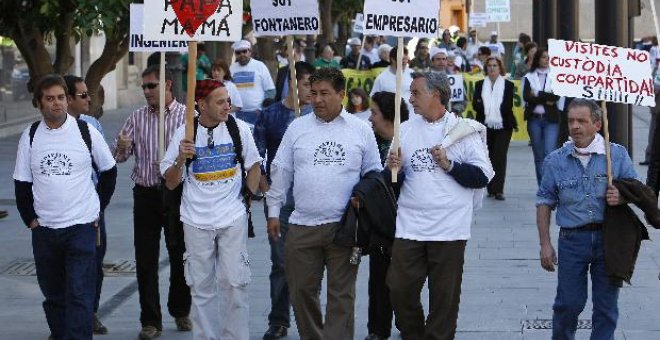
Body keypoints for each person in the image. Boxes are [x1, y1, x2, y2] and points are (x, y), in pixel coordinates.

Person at [266, 67, 382, 340]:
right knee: (301, 291)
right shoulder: (297, 128)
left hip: (345, 228)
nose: (316, 99)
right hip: (302, 226)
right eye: (313, 93)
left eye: (324, 94)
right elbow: (280, 170)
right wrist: (273, 212)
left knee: (341, 296)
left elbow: (374, 173)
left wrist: (362, 197)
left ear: (341, 94)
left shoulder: (361, 129)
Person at [385, 71, 494, 340]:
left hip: (449, 229)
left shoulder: (462, 131)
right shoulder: (406, 129)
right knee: (399, 288)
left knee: (444, 299)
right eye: (410, 93)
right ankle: (412, 332)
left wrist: (449, 165)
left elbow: (483, 176)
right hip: (410, 226)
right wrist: (392, 171)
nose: (410, 99)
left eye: (415, 93)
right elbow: (391, 183)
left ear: (436, 95)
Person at [14, 74, 117, 340]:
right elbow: (22, 182)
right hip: (45, 231)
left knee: (80, 294)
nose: (56, 104)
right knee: (54, 296)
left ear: (66, 100)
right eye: (50, 99)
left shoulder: (85, 131)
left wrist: (97, 210)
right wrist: (31, 221)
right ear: (39, 103)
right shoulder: (31, 136)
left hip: (81, 228)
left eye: (61, 97)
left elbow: (109, 171)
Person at [161, 79, 261, 340]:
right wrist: (182, 157)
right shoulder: (184, 133)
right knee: (201, 287)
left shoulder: (239, 129)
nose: (227, 105)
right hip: (195, 220)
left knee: (235, 283)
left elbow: (254, 165)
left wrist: (248, 196)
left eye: (227, 100)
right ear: (201, 105)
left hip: (232, 218)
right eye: (220, 101)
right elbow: (170, 182)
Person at [536, 98, 637, 340]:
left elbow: (636, 190)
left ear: (597, 125)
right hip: (572, 240)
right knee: (568, 304)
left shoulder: (617, 155)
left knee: (606, 308)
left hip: (608, 240)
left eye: (582, 121)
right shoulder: (555, 160)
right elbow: (544, 201)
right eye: (571, 121)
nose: (575, 126)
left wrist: (622, 196)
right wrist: (545, 244)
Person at [113, 65, 191, 339]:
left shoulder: (187, 116)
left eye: (151, 85)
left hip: (177, 193)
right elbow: (120, 156)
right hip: (145, 193)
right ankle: (150, 320)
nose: (146, 91)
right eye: (144, 87)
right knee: (145, 259)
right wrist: (122, 146)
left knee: (180, 254)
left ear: (167, 85)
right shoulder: (136, 117)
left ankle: (181, 309)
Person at [254, 61, 315, 340]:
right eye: (306, 84)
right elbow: (257, 153)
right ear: (292, 82)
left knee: (311, 264)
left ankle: (309, 319)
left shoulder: (319, 115)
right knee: (280, 262)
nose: (311, 91)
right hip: (280, 202)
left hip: (313, 201)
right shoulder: (270, 115)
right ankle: (279, 320)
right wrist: (264, 182)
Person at [63, 74, 108, 334]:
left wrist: (100, 204)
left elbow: (106, 167)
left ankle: (90, 313)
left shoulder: (92, 125)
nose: (89, 99)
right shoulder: (45, 130)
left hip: (90, 208)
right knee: (62, 266)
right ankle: (64, 319)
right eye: (82, 95)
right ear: (68, 99)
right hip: (59, 211)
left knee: (93, 262)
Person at [364, 91, 409, 340]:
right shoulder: (369, 141)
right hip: (380, 221)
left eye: (374, 113)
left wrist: (397, 171)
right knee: (378, 277)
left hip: (407, 219)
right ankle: (377, 329)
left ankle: (406, 323)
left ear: (389, 116)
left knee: (404, 279)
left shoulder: (407, 142)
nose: (370, 118)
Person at [473, 57, 517, 201]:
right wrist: (490, 106)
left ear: (500, 68)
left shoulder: (508, 85)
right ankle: (490, 189)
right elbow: (476, 105)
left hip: (503, 125)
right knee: (488, 157)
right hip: (484, 125)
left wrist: (487, 105)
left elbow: (506, 106)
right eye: (489, 66)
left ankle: (499, 190)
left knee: (499, 156)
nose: (492, 68)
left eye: (495, 66)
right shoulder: (479, 85)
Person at [524, 48, 562, 185]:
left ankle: (549, 184)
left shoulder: (555, 76)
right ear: (538, 59)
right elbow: (527, 96)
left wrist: (538, 94)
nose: (547, 60)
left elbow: (555, 96)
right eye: (544, 57)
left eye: (548, 57)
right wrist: (546, 98)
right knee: (539, 155)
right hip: (534, 119)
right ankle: (543, 186)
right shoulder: (529, 76)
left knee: (549, 153)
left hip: (550, 120)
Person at [230, 40, 276, 128]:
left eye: (244, 51)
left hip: (256, 114)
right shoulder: (232, 68)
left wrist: (262, 110)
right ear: (235, 54)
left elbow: (270, 91)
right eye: (238, 52)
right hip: (237, 114)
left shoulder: (260, 66)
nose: (242, 54)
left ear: (250, 52)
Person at [370, 46, 414, 115]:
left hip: (411, 115)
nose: (405, 61)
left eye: (406, 59)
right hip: (390, 117)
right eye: (402, 59)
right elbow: (373, 99)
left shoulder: (413, 74)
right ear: (392, 59)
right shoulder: (381, 78)